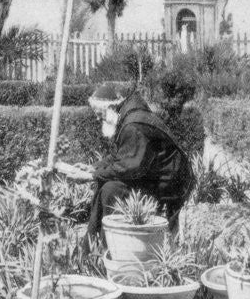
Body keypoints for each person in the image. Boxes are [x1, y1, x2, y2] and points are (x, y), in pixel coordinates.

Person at [58, 84, 195, 241]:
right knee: (108, 187)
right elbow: (121, 155)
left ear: (110, 107)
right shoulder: (128, 116)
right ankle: (98, 244)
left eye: (99, 113)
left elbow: (128, 167)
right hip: (157, 176)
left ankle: (109, 245)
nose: (97, 118)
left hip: (170, 185)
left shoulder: (133, 125)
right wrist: (93, 168)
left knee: (111, 190)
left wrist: (91, 176)